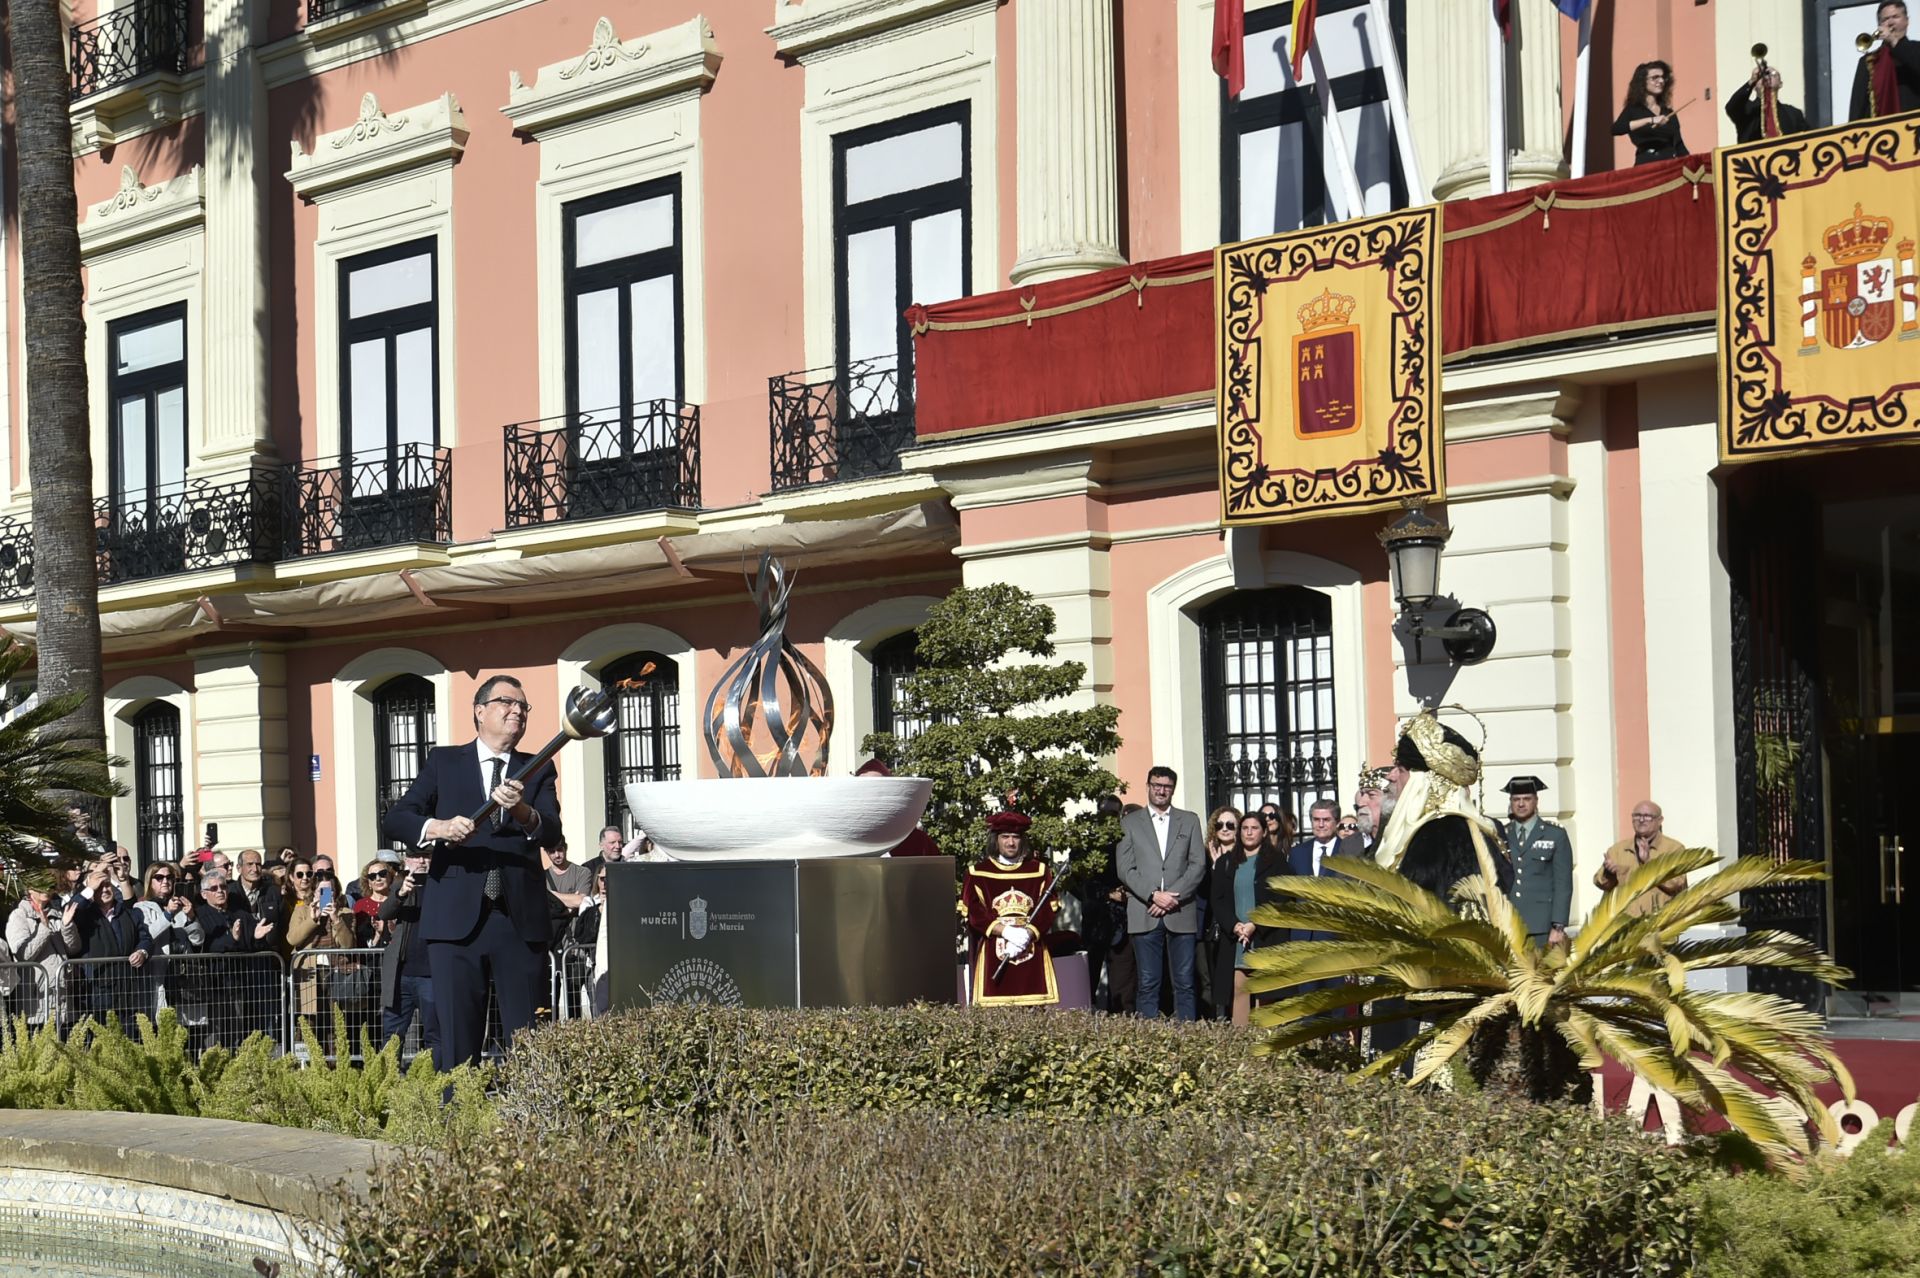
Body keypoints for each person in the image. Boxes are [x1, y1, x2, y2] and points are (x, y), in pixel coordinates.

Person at [382, 674, 563, 1071]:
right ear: (479, 712)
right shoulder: (444, 762)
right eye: (506, 702)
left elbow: (551, 831)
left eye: (523, 705)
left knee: (527, 1038)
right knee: (456, 1039)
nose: (517, 710)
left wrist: (521, 811)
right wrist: (440, 828)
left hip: (518, 921)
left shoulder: (536, 769)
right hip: (454, 924)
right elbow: (397, 819)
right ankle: (457, 1121)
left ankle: (527, 1122)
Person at [1115, 766, 1205, 1021]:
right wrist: (1154, 895)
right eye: (1156, 785)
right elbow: (1125, 868)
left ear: (1173, 789)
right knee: (1147, 982)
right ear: (1148, 786)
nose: (1161, 790)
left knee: (1185, 983)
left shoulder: (1189, 820)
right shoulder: (1129, 822)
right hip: (1145, 911)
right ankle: (1149, 1041)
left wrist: (1172, 898)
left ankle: (1188, 1037)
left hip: (1181, 911)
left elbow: (1197, 864)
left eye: (1166, 786)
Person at [963, 811, 1059, 1007]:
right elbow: (974, 912)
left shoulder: (1039, 871)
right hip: (994, 954)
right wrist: (1006, 931)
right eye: (1005, 837)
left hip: (1031, 951)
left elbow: (1048, 910)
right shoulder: (977, 873)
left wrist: (1029, 933)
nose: (1010, 843)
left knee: (1034, 1015)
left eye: (1015, 837)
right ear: (995, 840)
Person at [61, 859, 154, 1026]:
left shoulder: (129, 913)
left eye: (108, 885)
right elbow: (70, 910)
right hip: (97, 994)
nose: (104, 890)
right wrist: (90, 886)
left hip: (128, 993)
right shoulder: (85, 914)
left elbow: (145, 938)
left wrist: (142, 952)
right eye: (100, 887)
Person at [196, 871, 277, 1048]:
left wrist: (257, 937)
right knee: (214, 1034)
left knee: (236, 1030)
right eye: (214, 888)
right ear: (204, 894)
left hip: (238, 982)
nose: (220, 891)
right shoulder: (200, 914)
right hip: (213, 983)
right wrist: (231, 939)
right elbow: (208, 945)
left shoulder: (240, 913)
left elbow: (253, 946)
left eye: (223, 887)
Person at [378, 848, 438, 1056]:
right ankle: (388, 1084)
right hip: (401, 974)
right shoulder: (400, 884)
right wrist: (401, 893)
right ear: (406, 860)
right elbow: (384, 912)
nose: (421, 861)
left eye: (426, 856)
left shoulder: (441, 882)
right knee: (392, 1036)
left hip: (431, 974)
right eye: (415, 856)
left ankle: (433, 1084)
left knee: (434, 1034)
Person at [1501, 776, 1573, 947]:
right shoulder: (1502, 835)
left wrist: (1558, 925)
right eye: (1516, 799)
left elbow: (1563, 884)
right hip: (1508, 922)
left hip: (1542, 925)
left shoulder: (1555, 835)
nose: (1521, 804)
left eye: (1527, 799)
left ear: (1536, 801)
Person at [1210, 812, 1265, 1026]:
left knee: (1264, 992)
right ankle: (1240, 1046)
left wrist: (1256, 924)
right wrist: (1235, 926)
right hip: (1235, 938)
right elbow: (1218, 899)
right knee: (1239, 991)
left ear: (1264, 831)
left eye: (1254, 828)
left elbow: (1278, 898)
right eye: (1245, 828)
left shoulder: (1274, 860)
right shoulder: (1226, 862)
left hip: (1264, 936)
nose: (1249, 832)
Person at [1595, 800, 1689, 917]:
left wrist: (1649, 863)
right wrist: (1609, 874)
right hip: (1622, 926)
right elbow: (1599, 882)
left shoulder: (1673, 849)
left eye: (1647, 816)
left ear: (1660, 820)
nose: (1641, 820)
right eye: (1637, 815)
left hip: (1658, 925)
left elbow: (1677, 883)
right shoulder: (1618, 850)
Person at [5, 885, 70, 1028]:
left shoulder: (57, 913)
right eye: (39, 884)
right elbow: (23, 954)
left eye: (48, 884)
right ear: (29, 889)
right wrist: (44, 929)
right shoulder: (19, 915)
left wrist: (67, 926)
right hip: (37, 1000)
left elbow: (73, 948)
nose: (45, 888)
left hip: (63, 997)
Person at [1199, 806, 1241, 1017]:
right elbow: (1202, 890)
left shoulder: (1244, 855)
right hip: (1209, 925)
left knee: (1234, 978)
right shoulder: (1205, 855)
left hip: (1235, 923)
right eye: (1220, 825)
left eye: (1230, 825)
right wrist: (1214, 868)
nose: (1225, 829)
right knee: (1210, 979)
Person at [1851, 2, 1920, 120]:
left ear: (1906, 21)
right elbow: (1858, 107)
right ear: (1880, 25)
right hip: (1880, 134)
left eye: (1895, 17)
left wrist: (1894, 41)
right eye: (1885, 19)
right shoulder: (1868, 61)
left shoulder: (1916, 49)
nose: (1891, 22)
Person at [1612, 61, 1687, 165]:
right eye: (1655, 77)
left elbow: (1679, 145)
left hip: (1669, 165)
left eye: (1662, 77)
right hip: (1646, 165)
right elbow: (1616, 129)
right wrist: (1650, 120)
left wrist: (1691, 166)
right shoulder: (1633, 109)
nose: (1661, 81)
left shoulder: (1668, 112)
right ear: (1643, 82)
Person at [1725, 64, 1806, 142]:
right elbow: (1731, 107)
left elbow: (1810, 137)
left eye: (1773, 74)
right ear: (1755, 86)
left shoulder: (1794, 113)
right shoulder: (1747, 108)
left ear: (1780, 84)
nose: (1767, 77)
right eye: (1762, 76)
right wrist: (1752, 80)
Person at [234, 849, 283, 945]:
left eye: (258, 864)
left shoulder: (274, 892)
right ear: (239, 868)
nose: (255, 869)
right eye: (250, 864)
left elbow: (283, 924)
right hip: (240, 953)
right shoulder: (230, 893)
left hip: (269, 952)